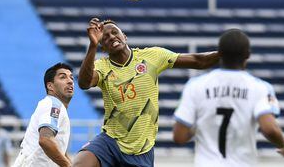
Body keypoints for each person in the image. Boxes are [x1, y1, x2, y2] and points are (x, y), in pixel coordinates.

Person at [73, 18, 220, 167]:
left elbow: (198, 61)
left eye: (114, 32)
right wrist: (92, 45)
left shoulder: (152, 56)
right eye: (105, 37)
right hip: (111, 142)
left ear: (124, 36)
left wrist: (227, 53)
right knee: (81, 163)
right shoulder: (102, 66)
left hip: (142, 151)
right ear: (102, 48)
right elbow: (84, 83)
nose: (111, 37)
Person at [173, 29, 284, 167]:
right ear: (248, 55)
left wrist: (200, 125)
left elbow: (179, 136)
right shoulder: (260, 88)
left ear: (218, 54)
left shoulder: (195, 86)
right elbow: (269, 129)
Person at [12, 63, 74, 167]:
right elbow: (45, 140)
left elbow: (56, 146)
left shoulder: (53, 105)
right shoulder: (53, 105)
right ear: (50, 86)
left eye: (71, 77)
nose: (70, 81)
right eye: (63, 77)